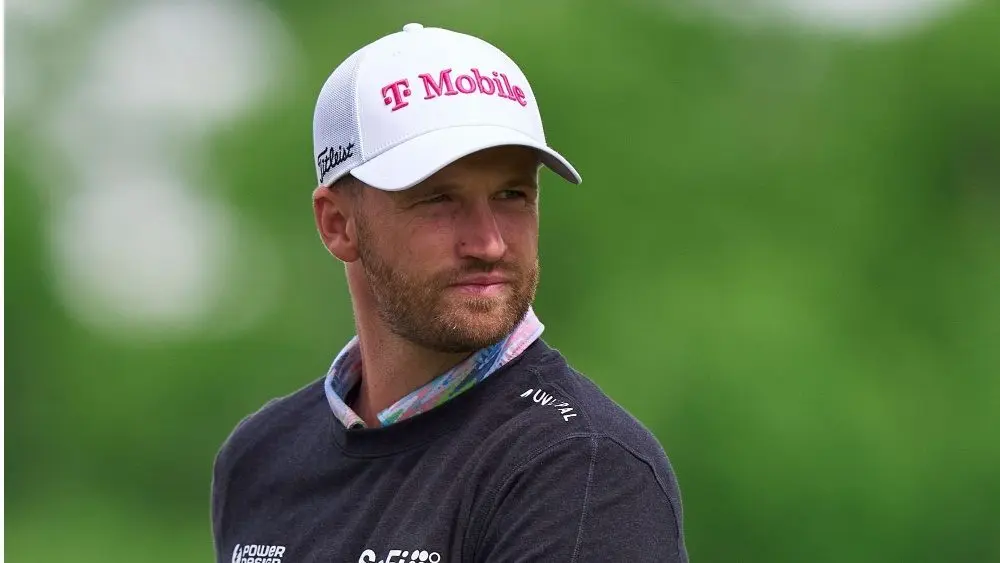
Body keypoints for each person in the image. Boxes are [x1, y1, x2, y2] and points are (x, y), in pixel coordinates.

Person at [211, 23, 688, 563]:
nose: (488, 242)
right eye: (438, 199)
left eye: (512, 195)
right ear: (338, 223)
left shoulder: (581, 467)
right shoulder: (261, 456)